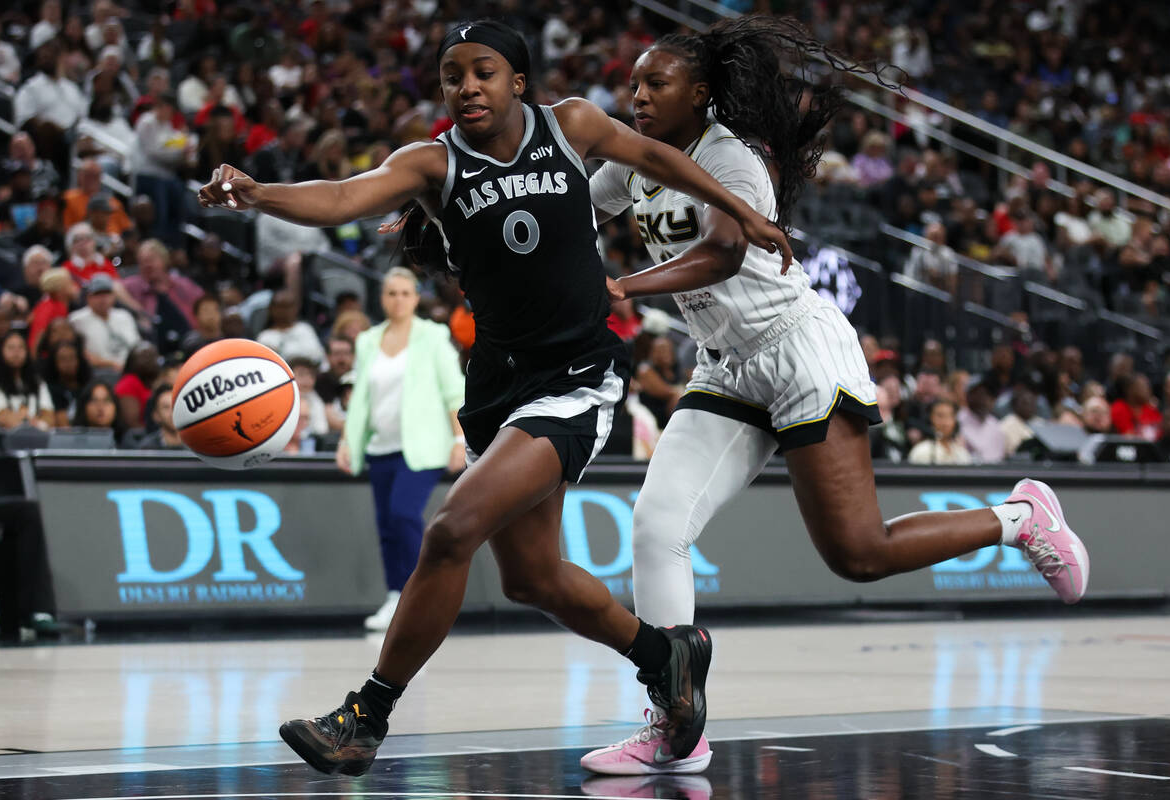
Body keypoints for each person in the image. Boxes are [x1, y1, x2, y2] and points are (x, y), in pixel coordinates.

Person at [200, 18, 791, 777]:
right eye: (452, 76)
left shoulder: (569, 125)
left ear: (518, 81)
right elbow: (344, 196)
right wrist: (257, 194)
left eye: (483, 71)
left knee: (452, 530)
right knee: (531, 577)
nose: (466, 87)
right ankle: (668, 657)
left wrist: (743, 211)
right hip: (498, 387)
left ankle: (365, 717)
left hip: (575, 376)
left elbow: (656, 157)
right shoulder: (431, 163)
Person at [580, 16, 1089, 775]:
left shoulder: (736, 156)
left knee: (859, 554)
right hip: (725, 365)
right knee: (657, 528)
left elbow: (722, 252)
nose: (640, 97)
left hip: (795, 352)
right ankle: (675, 724)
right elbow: (570, 213)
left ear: (703, 94)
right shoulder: (634, 159)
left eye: (657, 84)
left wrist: (621, 284)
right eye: (634, 86)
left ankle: (1019, 519)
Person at [337, 267, 468, 631]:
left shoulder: (433, 336)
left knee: (402, 514)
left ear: (415, 297)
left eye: (405, 293)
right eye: (391, 293)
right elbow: (361, 399)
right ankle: (396, 596)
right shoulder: (367, 341)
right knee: (386, 526)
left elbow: (453, 393)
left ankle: (417, 599)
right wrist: (349, 440)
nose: (398, 300)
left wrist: (459, 439)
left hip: (423, 447)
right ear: (382, 298)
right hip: (381, 447)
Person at [68, 272, 141, 373]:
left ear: (113, 296)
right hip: (99, 371)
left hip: (132, 369)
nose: (103, 299)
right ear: (88, 297)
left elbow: (137, 345)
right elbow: (77, 352)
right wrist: (110, 364)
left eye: (106, 293)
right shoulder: (76, 320)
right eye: (98, 294)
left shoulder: (124, 316)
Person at [0, 330, 54, 431]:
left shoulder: (37, 381)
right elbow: (2, 417)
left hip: (36, 438)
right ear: (1, 351)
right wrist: (28, 421)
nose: (16, 352)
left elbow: (49, 417)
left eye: (21, 347)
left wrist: (33, 423)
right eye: (11, 347)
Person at [42, 340, 92, 427]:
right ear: (54, 362)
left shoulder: (89, 387)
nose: (68, 363)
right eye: (63, 359)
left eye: (72, 358)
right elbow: (62, 424)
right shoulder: (49, 389)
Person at [70, 378, 127, 446]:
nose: (100, 407)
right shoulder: (72, 443)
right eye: (94, 400)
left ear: (115, 406)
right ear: (83, 406)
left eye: (106, 400)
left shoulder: (127, 442)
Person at [135, 383, 183, 449]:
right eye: (166, 407)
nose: (172, 412)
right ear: (156, 415)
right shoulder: (147, 447)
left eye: (175, 405)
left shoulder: (196, 444)